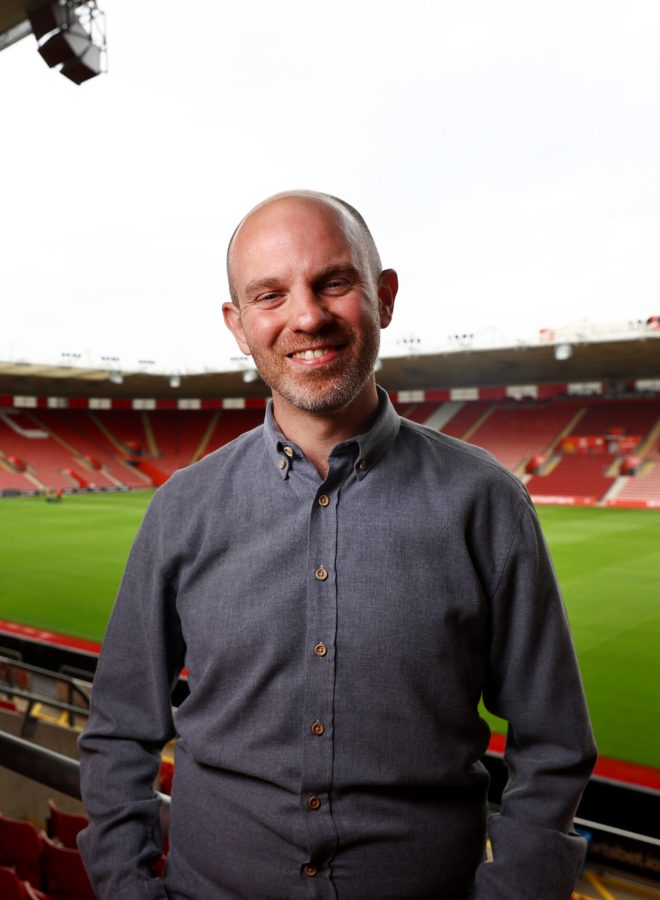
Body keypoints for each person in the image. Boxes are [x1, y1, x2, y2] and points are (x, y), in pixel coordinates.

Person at [77, 190, 597, 899]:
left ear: (383, 297)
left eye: (334, 282)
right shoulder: (181, 510)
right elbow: (117, 731)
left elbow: (554, 744)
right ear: (238, 325)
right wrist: (128, 889)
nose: (307, 316)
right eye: (270, 294)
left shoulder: (486, 502)